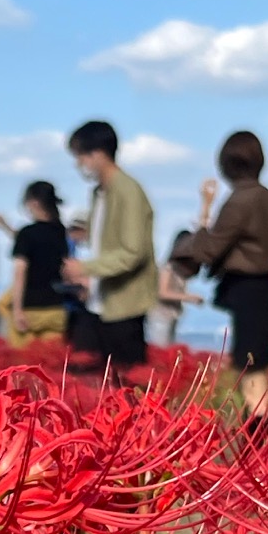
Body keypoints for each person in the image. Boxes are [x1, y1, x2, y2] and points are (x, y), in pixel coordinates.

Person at [177, 131, 268, 417]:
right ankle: (264, 442)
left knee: (250, 375)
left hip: (246, 292)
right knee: (259, 371)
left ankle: (256, 445)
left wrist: (204, 210)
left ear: (227, 164)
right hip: (266, 290)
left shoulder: (239, 200)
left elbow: (208, 250)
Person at [61, 120, 156, 374]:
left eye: (80, 156)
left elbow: (133, 252)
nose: (79, 164)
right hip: (98, 304)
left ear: (98, 153)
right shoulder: (99, 193)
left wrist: (86, 267)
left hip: (124, 308)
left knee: (127, 386)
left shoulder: (129, 191)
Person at [7, 181, 69, 344]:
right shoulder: (61, 232)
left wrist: (17, 309)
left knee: (24, 366)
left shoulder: (26, 234)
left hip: (30, 309)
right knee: (53, 361)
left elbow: (20, 272)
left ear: (33, 202)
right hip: (56, 308)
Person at [152, 231, 205, 348]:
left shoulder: (180, 272)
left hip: (172, 315)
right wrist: (189, 297)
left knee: (168, 348)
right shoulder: (168, 268)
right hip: (160, 316)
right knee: (161, 349)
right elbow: (162, 292)